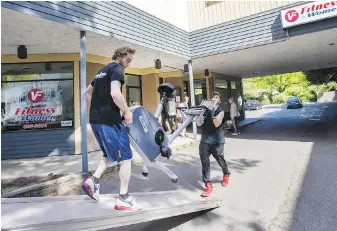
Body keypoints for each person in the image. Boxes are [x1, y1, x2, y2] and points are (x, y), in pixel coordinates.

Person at [82, 46, 141, 210]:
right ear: (120, 56)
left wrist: (98, 109)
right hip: (110, 122)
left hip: (95, 121)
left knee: (109, 153)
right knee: (126, 158)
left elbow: (87, 92)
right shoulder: (117, 69)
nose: (128, 64)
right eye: (127, 60)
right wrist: (127, 111)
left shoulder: (102, 70)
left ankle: (93, 181)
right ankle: (123, 197)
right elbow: (115, 94)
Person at [196, 91, 231, 197]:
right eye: (213, 97)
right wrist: (202, 113)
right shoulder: (205, 110)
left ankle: (226, 173)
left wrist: (211, 113)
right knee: (204, 162)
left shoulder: (220, 110)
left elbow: (217, 123)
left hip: (217, 140)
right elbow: (198, 123)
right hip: (205, 140)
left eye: (217, 97)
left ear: (219, 101)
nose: (215, 98)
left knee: (220, 159)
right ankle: (208, 185)